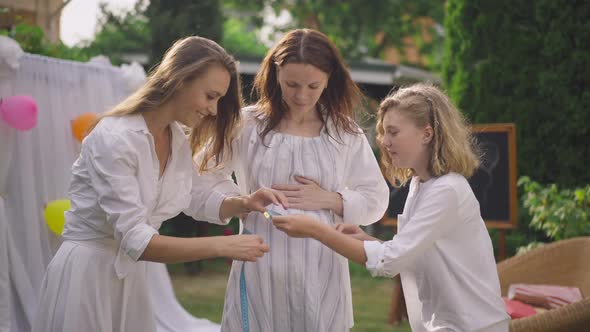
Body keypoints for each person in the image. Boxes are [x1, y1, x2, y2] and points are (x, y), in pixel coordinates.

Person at [32, 36, 287, 332]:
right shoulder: (115, 139)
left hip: (131, 280)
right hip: (88, 279)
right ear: (180, 80)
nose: (214, 110)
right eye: (210, 96)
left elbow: (194, 193)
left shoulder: (175, 138)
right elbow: (136, 240)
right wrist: (224, 245)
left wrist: (242, 202)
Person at [272, 83, 510, 332]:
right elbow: (409, 253)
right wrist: (366, 240)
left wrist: (316, 230)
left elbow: (389, 261)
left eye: (393, 132)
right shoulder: (420, 185)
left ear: (426, 134)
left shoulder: (447, 190)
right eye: (384, 132)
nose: (384, 141)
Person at [194, 29, 389, 331]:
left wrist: (330, 199)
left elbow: (376, 199)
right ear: (275, 75)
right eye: (291, 84)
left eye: (313, 85)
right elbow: (200, 179)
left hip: (322, 269)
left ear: (329, 79)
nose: (301, 96)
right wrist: (242, 202)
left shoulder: (344, 133)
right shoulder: (247, 124)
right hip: (260, 263)